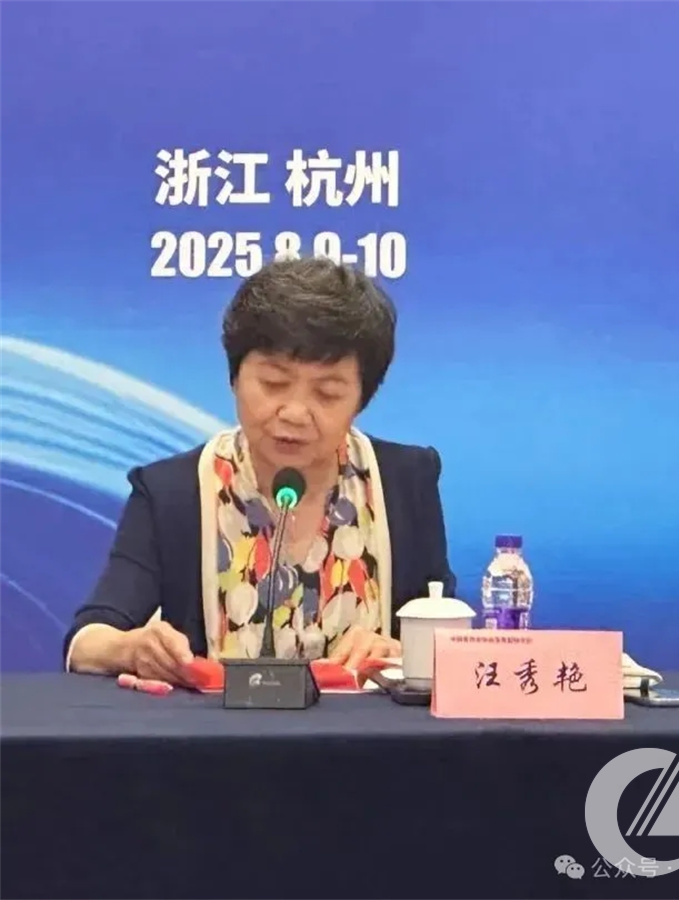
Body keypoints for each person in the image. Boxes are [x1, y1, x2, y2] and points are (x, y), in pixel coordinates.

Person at [65, 257, 455, 686]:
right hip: (212, 730)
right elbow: (88, 639)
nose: (294, 413)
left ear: (362, 398)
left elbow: (450, 639)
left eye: (327, 393)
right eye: (273, 384)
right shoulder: (172, 492)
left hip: (369, 729)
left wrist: (403, 652)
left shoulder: (405, 482)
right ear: (234, 379)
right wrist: (132, 648)